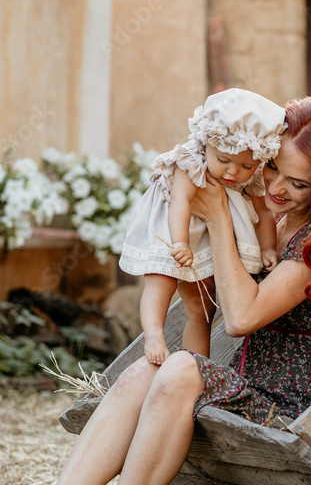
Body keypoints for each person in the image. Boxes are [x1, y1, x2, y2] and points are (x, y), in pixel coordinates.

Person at [0, 97, 311, 485]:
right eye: (272, 168)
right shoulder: (268, 207)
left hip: (298, 413)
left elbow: (243, 316)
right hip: (251, 391)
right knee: (146, 370)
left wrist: (217, 219)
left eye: (298, 184)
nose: (276, 188)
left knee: (182, 369)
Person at [118, 88, 286, 366]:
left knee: (203, 306)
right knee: (162, 278)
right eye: (223, 161)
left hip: (206, 235)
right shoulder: (190, 162)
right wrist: (180, 242)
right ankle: (154, 334)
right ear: (206, 143)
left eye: (245, 166)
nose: (233, 172)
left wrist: (268, 246)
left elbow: (264, 212)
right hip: (171, 228)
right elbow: (180, 203)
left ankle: (197, 365)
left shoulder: (251, 174)